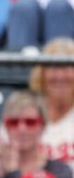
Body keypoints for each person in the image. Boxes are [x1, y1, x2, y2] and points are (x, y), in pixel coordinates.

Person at [35, 37, 74, 165]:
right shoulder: (23, 114)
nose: (60, 76)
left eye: (67, 67)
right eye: (53, 67)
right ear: (41, 74)